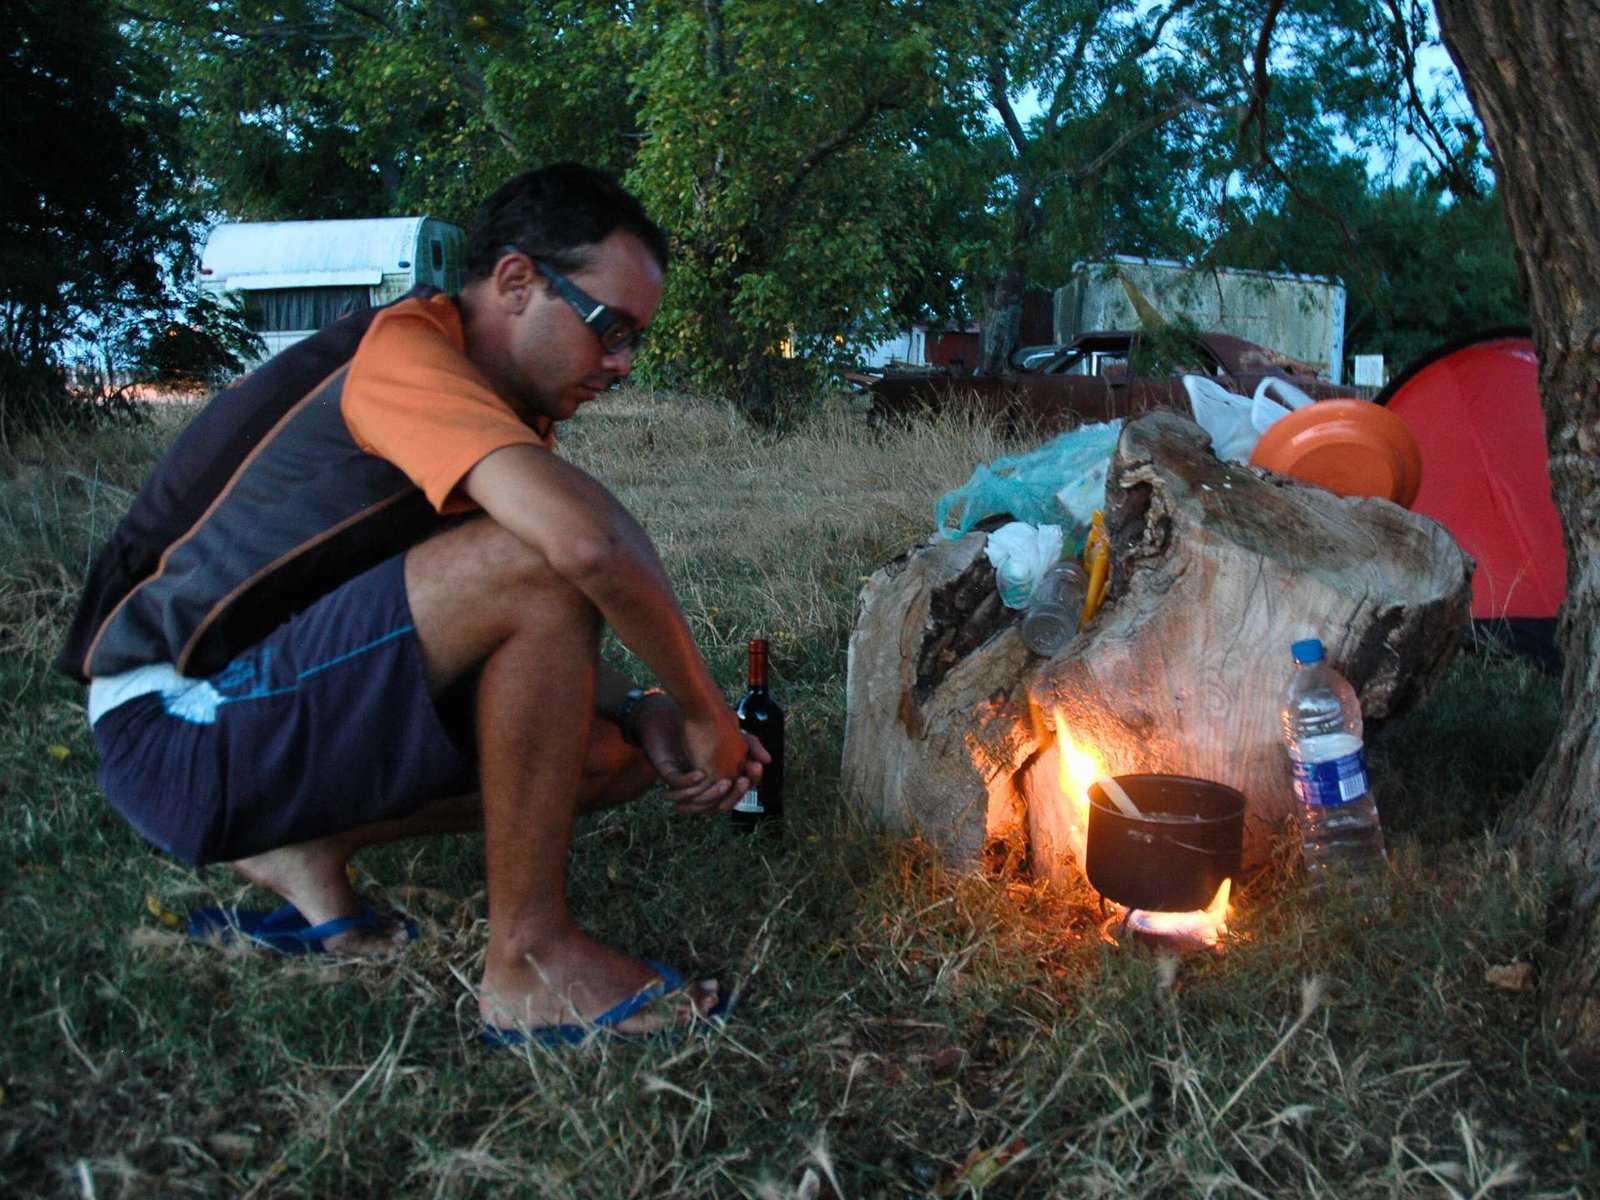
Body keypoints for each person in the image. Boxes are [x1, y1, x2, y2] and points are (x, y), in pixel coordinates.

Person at [56, 163, 767, 1041]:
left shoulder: (490, 407)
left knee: (617, 750)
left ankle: (306, 853)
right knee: (539, 556)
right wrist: (704, 709)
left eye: (635, 341)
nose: (621, 363)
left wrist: (652, 708)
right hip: (174, 724)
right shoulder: (404, 354)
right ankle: (530, 964)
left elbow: (485, 609)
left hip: (261, 698)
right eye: (608, 327)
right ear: (514, 281)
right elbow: (584, 546)